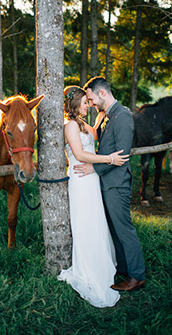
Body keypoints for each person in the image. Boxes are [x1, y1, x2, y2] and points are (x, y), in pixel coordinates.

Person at [58, 85, 129, 308]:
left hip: (92, 179)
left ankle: (102, 264)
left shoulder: (81, 123)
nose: (88, 105)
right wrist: (109, 159)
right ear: (75, 103)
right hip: (80, 180)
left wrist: (100, 114)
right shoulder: (69, 125)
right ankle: (89, 269)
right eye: (85, 102)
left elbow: (95, 134)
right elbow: (79, 154)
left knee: (97, 222)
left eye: (89, 102)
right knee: (86, 224)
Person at [74, 76, 146, 292]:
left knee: (124, 229)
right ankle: (124, 268)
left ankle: (137, 276)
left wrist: (93, 168)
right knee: (114, 229)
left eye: (92, 99)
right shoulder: (107, 115)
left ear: (102, 93)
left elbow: (122, 155)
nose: (91, 104)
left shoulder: (122, 116)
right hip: (107, 182)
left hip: (117, 184)